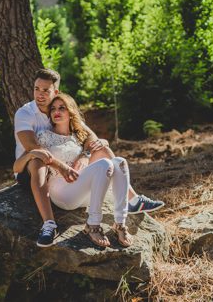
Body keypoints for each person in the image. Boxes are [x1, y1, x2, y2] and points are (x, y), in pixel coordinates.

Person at [14, 68, 164, 247]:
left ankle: (126, 212)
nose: (40, 94)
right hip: (33, 172)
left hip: (76, 181)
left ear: (56, 92)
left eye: (46, 90)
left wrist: (85, 155)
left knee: (118, 161)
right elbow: (34, 149)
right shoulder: (26, 114)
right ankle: (52, 223)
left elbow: (93, 138)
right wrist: (63, 167)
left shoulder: (68, 120)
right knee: (38, 158)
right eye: (37, 89)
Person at [14, 93, 133, 248]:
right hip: (63, 193)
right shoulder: (43, 136)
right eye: (53, 109)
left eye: (62, 108)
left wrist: (98, 145)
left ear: (71, 112)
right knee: (105, 164)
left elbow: (98, 148)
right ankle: (93, 225)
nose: (56, 111)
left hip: (84, 192)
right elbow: (16, 167)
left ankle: (120, 224)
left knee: (120, 162)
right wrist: (31, 154)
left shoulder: (79, 136)